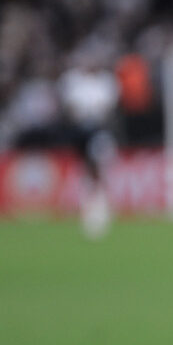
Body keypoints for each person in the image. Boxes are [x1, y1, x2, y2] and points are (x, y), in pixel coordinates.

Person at [59, 55, 120, 238]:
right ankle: (90, 205)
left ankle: (101, 205)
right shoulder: (72, 80)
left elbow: (108, 109)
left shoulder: (106, 82)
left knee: (98, 166)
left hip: (99, 131)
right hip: (80, 132)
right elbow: (70, 108)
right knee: (86, 169)